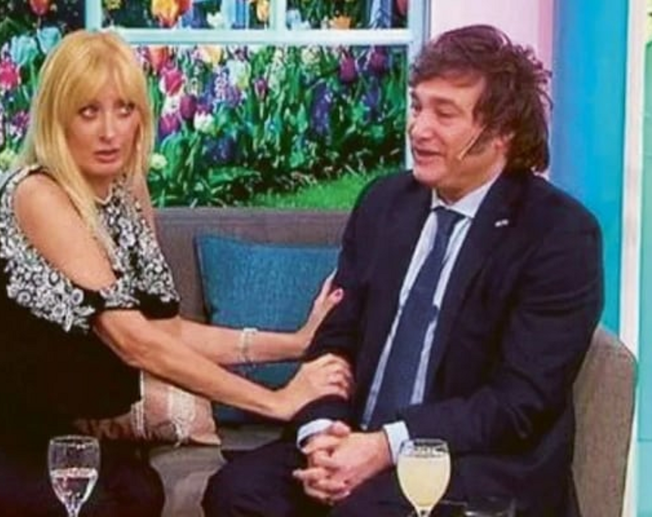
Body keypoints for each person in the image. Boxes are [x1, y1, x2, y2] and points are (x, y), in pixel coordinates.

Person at [0, 30, 351, 517]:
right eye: (89, 112)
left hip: (20, 435)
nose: (110, 131)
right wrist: (276, 402)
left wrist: (294, 344)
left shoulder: (126, 193)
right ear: (57, 120)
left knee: (137, 490)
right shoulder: (38, 195)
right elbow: (134, 342)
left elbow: (165, 332)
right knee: (102, 506)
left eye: (125, 109)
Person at [203, 24, 603, 517]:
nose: (419, 129)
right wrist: (323, 434)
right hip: (356, 438)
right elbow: (335, 338)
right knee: (237, 492)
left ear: (500, 133)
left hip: (469, 461)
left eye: (444, 114)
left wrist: (386, 446)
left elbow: (518, 401)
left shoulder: (557, 234)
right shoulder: (385, 202)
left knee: (364, 512)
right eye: (417, 107)